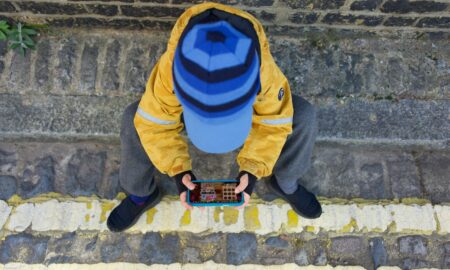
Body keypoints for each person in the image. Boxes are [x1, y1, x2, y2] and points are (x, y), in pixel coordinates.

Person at [107, 2, 322, 232]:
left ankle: (285, 183)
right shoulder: (169, 70)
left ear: (254, 92)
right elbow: (153, 124)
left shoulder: (265, 74)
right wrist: (179, 170)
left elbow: (272, 122)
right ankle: (140, 194)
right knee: (134, 119)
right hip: (188, 107)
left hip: (208, 107)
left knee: (304, 116)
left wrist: (252, 169)